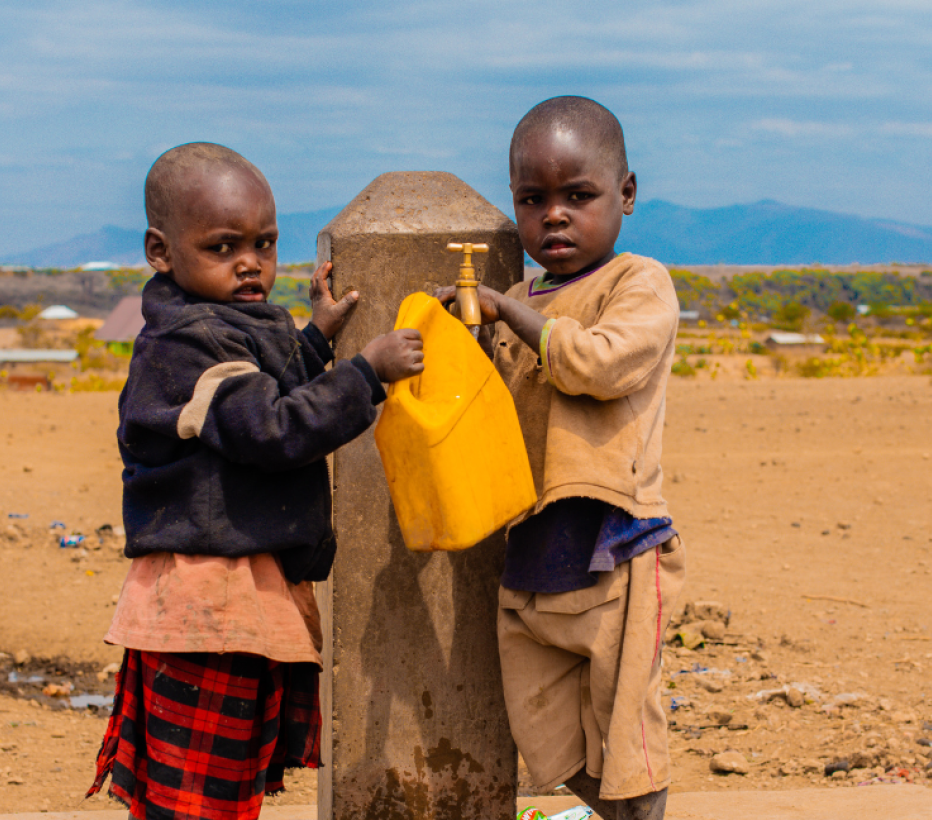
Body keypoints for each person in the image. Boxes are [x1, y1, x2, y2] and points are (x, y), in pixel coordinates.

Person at [87, 142, 424, 820]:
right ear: (162, 251)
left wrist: (316, 341)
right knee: (200, 800)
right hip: (205, 608)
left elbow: (257, 396)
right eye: (222, 246)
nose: (250, 263)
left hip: (227, 605)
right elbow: (270, 428)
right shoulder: (184, 344)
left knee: (217, 790)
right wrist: (365, 374)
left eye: (264, 244)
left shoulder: (217, 327)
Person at [437, 97, 686, 820]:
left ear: (626, 195)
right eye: (533, 198)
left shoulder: (637, 285)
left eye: (578, 196)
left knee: (627, 739)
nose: (554, 216)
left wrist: (509, 315)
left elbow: (599, 365)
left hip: (617, 547)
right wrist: (459, 335)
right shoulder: (516, 299)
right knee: (545, 735)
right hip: (532, 551)